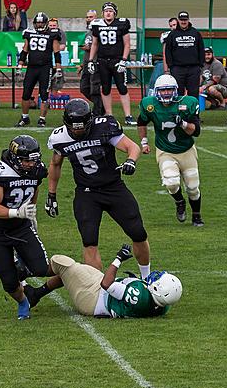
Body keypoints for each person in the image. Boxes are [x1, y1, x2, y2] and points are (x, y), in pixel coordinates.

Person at [46, 98, 151, 276]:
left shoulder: (104, 127)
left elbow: (132, 147)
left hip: (113, 187)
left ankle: (147, 276)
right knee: (89, 240)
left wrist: (131, 161)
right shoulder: (59, 138)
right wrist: (51, 195)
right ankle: (97, 289)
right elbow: (55, 165)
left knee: (138, 232)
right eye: (73, 128)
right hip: (87, 193)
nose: (77, 131)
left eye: (81, 127)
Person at [0, 135, 52, 320]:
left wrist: (31, 212)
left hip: (21, 228)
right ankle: (23, 301)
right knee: (10, 282)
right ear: (14, 158)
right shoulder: (0, 172)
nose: (30, 164)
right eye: (26, 160)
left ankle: (22, 267)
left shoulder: (37, 171)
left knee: (40, 267)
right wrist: (16, 213)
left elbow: (34, 190)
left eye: (33, 160)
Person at [24, 245, 182, 318]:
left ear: (158, 290)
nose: (156, 276)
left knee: (61, 263)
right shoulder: (163, 305)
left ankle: (24, 271)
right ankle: (36, 294)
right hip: (100, 295)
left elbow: (106, 284)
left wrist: (118, 259)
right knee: (75, 271)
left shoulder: (139, 296)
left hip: (93, 297)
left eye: (157, 280)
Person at [137, 74, 203, 225]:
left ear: (175, 90)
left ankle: (196, 215)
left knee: (193, 188)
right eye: (163, 90)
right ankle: (180, 202)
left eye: (169, 90)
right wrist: (144, 142)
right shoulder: (149, 104)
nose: (166, 93)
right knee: (171, 183)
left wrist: (183, 124)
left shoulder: (188, 102)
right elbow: (142, 122)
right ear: (156, 92)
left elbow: (196, 131)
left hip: (186, 150)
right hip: (165, 150)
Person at [86, 2, 135, 124]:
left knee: (122, 88)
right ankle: (109, 115)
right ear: (102, 13)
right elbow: (95, 44)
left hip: (117, 60)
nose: (108, 13)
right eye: (106, 11)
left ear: (115, 13)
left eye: (111, 11)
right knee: (105, 88)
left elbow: (127, 44)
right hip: (102, 61)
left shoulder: (122, 24)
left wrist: (124, 60)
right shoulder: (97, 24)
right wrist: (91, 60)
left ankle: (128, 116)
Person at [14, 12, 62, 128]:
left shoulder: (53, 34)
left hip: (45, 67)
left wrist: (58, 68)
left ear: (46, 23)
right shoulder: (29, 33)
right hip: (32, 67)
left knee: (44, 94)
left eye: (41, 23)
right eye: (37, 23)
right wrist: (20, 66)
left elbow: (56, 53)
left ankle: (42, 119)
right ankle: (25, 117)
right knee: (26, 93)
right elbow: (25, 50)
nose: (39, 25)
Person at [162, 10, 205, 102]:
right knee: (178, 93)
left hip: (193, 68)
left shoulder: (195, 33)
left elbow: (201, 49)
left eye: (185, 20)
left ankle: (194, 115)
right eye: (181, 20)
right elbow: (168, 51)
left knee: (193, 93)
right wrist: (171, 66)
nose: (183, 22)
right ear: (178, 20)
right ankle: (179, 114)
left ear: (188, 20)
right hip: (177, 69)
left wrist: (200, 65)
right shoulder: (172, 34)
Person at [79, 9, 103, 116]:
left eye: (91, 17)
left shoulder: (100, 31)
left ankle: (98, 110)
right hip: (87, 62)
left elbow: (100, 46)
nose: (88, 19)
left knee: (94, 87)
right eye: (87, 17)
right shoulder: (88, 32)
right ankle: (100, 105)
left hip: (95, 62)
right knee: (84, 88)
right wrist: (82, 65)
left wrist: (91, 48)